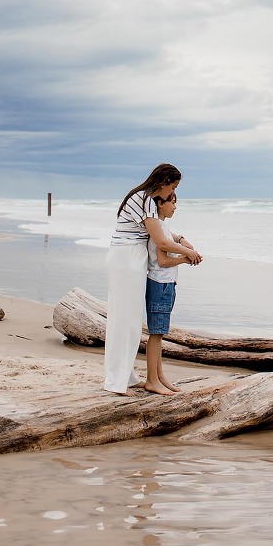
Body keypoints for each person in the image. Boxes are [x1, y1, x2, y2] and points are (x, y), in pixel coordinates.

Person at [103, 163, 201, 394]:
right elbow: (162, 242)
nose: (172, 194)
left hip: (128, 258)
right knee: (124, 321)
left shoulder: (143, 198)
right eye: (173, 188)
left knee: (127, 319)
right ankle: (118, 379)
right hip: (127, 259)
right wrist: (189, 254)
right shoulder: (146, 199)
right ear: (164, 183)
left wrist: (182, 238)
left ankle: (124, 376)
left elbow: (161, 230)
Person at [145, 191, 195, 394]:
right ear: (160, 204)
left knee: (160, 333)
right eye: (171, 202)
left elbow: (171, 239)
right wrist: (186, 258)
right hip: (160, 284)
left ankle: (159, 376)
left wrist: (183, 242)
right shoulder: (159, 227)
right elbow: (163, 261)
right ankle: (152, 380)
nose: (175, 207)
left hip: (166, 284)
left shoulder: (163, 227)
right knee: (156, 333)